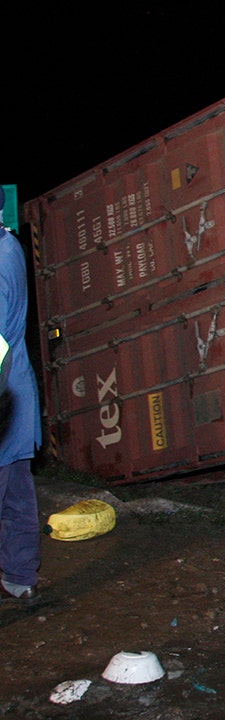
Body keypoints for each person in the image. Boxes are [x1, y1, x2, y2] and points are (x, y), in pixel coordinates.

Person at [0, 193, 43, 602]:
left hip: (3, 397)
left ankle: (19, 574)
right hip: (15, 397)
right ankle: (20, 575)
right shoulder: (8, 246)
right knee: (15, 495)